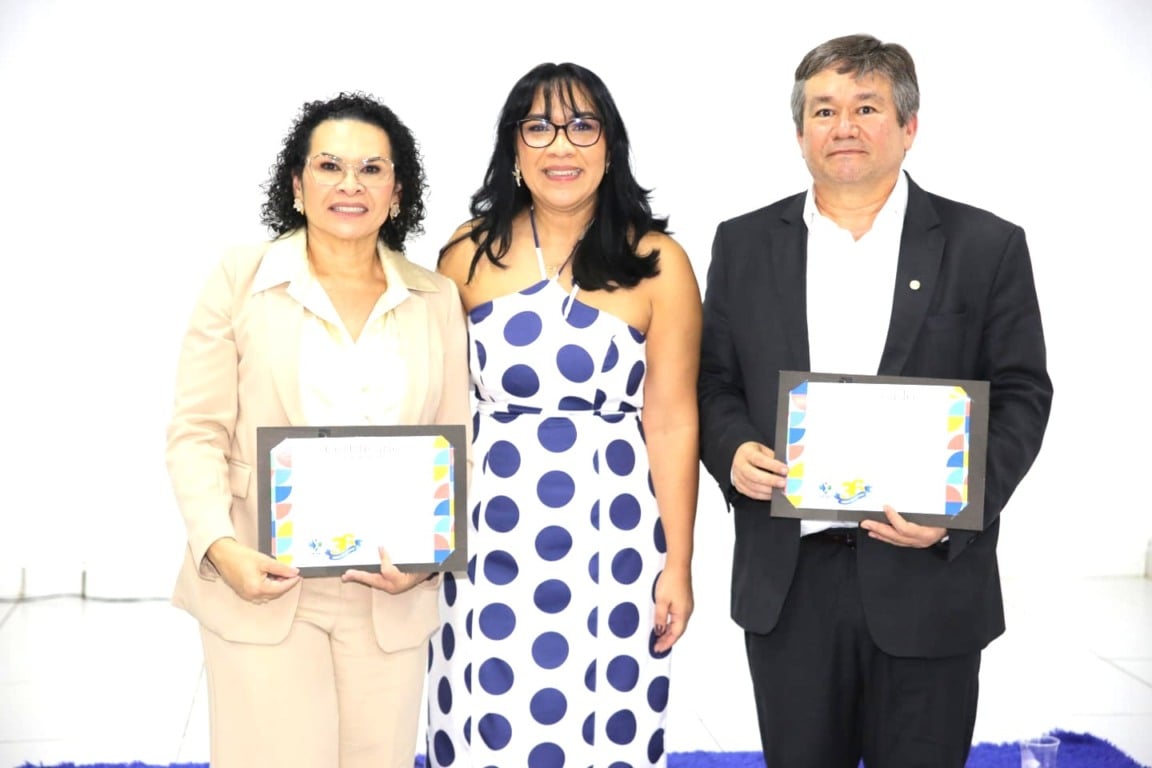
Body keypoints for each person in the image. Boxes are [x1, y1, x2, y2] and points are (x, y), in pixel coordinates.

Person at [698, 34, 1053, 768]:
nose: (844, 126)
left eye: (866, 107)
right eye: (823, 109)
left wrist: (958, 507)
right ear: (800, 132)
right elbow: (712, 381)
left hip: (929, 575)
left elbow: (1023, 394)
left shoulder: (986, 245)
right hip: (791, 578)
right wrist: (731, 450)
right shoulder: (743, 244)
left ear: (909, 126)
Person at [165, 92, 469, 768]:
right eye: (330, 166)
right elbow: (196, 431)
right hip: (263, 582)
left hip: (388, 594)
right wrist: (220, 547)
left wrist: (426, 561)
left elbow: (455, 444)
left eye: (371, 169)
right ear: (298, 186)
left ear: (397, 192)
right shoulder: (240, 279)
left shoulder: (435, 297)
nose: (350, 184)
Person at [426, 62, 701, 767]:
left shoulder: (659, 262)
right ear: (513, 147)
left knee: (605, 717)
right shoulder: (465, 254)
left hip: (613, 535)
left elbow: (671, 421)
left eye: (582, 126)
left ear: (610, 144)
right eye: (539, 127)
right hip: (488, 531)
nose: (560, 145)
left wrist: (678, 563)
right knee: (485, 713)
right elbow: (438, 411)